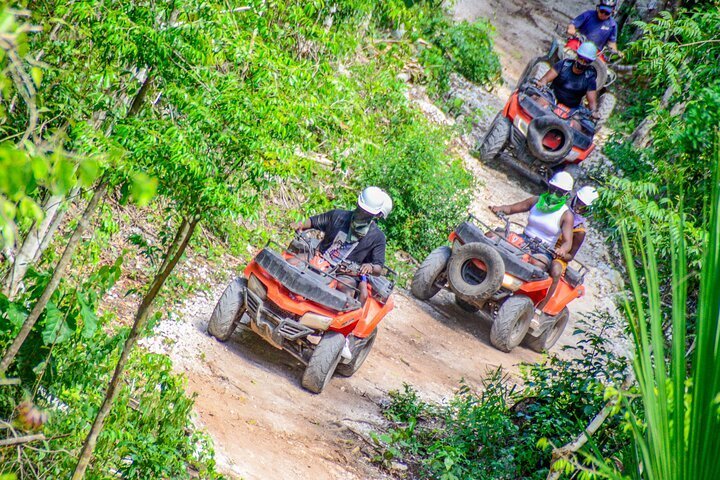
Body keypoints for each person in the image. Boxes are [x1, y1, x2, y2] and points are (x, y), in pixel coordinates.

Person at [291, 186, 391, 296]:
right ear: (357, 203)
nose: (362, 214)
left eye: (366, 212)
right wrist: (300, 225)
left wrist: (370, 267)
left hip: (344, 273)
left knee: (346, 295)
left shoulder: (377, 237)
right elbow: (313, 221)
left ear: (375, 215)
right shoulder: (337, 215)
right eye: (361, 209)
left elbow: (378, 268)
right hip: (320, 257)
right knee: (291, 262)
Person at [489, 171, 575, 271]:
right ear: (549, 186)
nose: (554, 194)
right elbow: (511, 208)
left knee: (537, 266)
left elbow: (567, 242)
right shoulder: (536, 200)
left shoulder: (566, 214)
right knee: (491, 236)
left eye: (559, 193)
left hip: (543, 250)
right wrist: (499, 208)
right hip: (523, 239)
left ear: (566, 195)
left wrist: (562, 250)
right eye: (552, 189)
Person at [536, 185, 599, 311]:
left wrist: (561, 253)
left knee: (555, 270)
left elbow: (571, 256)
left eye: (583, 206)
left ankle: (539, 308)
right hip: (542, 243)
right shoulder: (559, 210)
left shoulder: (579, 231)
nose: (579, 207)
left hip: (558, 256)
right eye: (579, 202)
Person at [535, 41, 599, 115]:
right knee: (539, 104)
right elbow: (545, 79)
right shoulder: (563, 65)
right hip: (552, 97)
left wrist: (594, 112)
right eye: (581, 59)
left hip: (572, 108)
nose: (582, 63)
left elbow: (592, 103)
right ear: (577, 56)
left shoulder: (590, 78)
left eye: (586, 61)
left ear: (590, 63)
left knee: (576, 125)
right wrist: (541, 83)